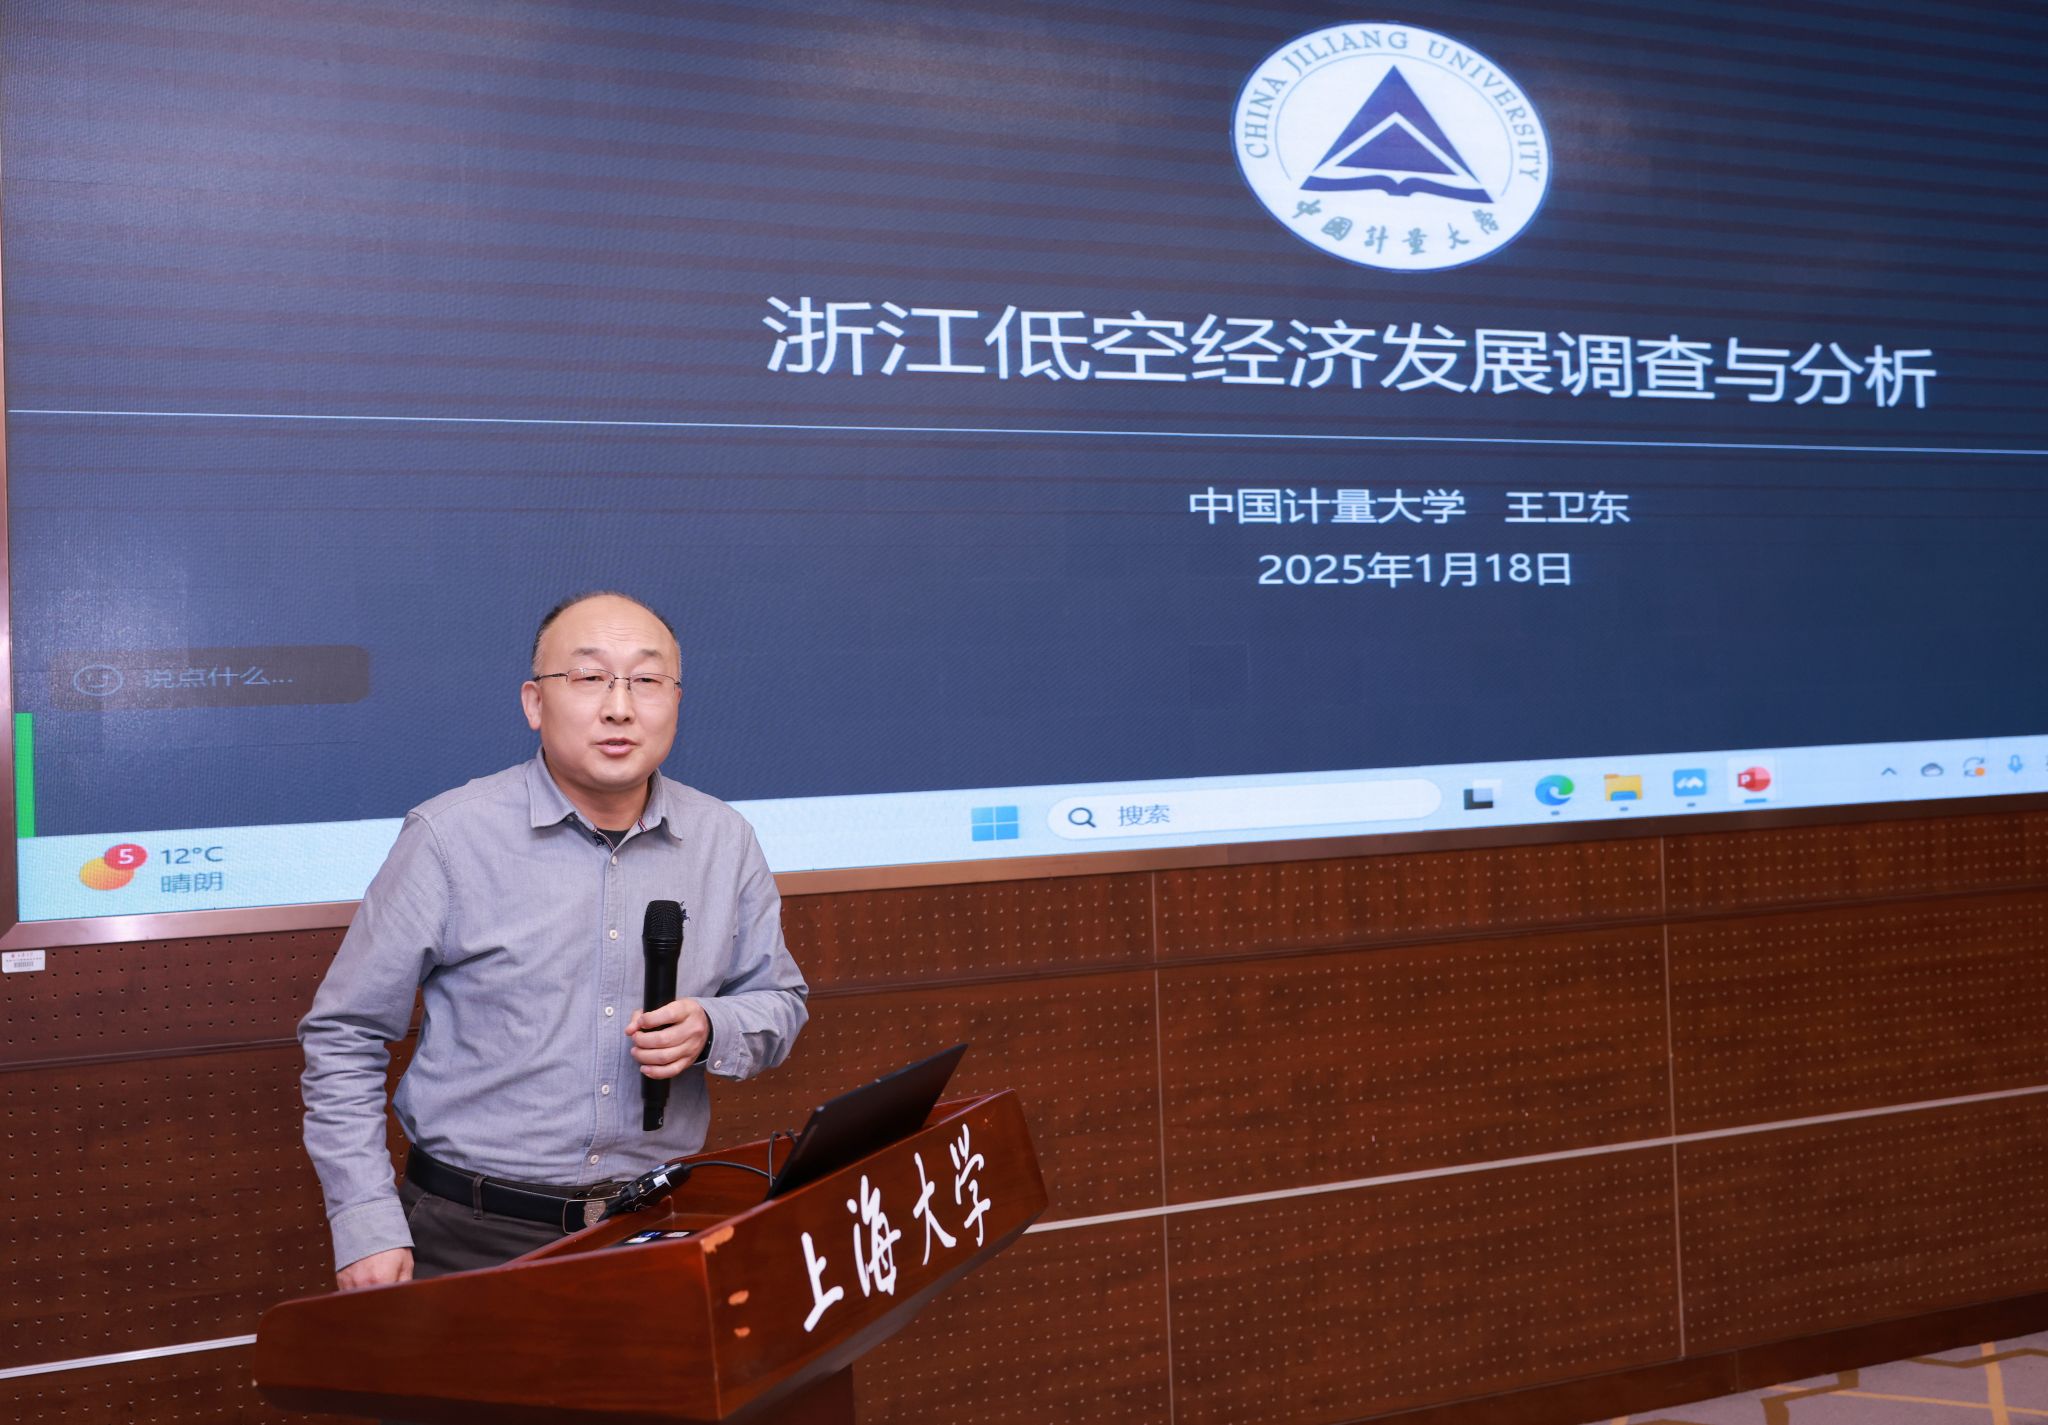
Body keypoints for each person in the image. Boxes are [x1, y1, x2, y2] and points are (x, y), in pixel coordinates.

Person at [299, 591, 808, 1289]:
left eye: (646, 679)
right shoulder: (449, 838)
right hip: (472, 1234)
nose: (619, 707)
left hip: (655, 1225)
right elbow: (345, 1033)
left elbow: (780, 1001)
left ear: (675, 701)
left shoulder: (725, 839)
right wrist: (363, 1219)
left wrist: (712, 1027)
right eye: (590, 677)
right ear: (535, 703)